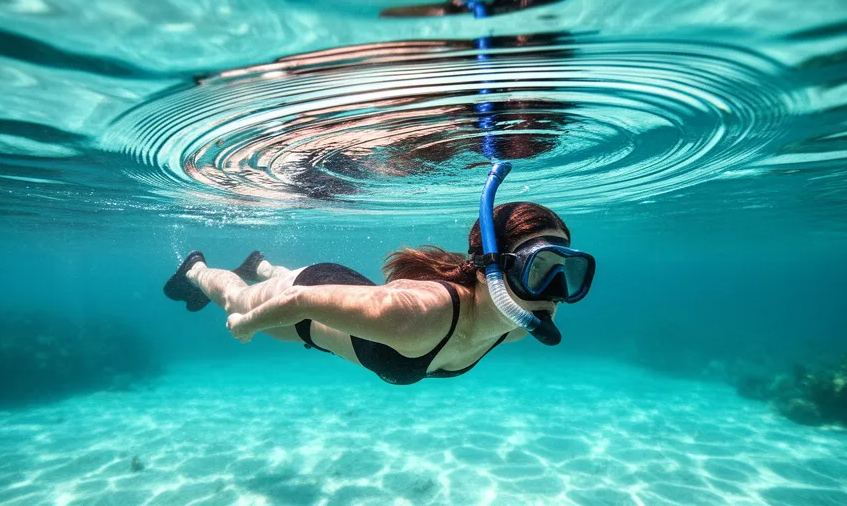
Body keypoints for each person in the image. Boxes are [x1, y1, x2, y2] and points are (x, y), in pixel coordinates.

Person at [165, 164, 595, 385]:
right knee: (237, 300)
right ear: (492, 272)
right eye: (541, 269)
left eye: (568, 272)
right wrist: (245, 325)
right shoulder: (414, 315)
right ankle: (198, 269)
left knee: (277, 298)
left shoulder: (514, 329)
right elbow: (298, 303)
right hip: (304, 301)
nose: (556, 293)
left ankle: (265, 266)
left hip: (349, 308)